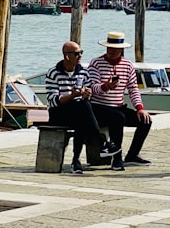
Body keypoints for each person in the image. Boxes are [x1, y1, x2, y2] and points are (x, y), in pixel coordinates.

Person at [45, 40, 121, 174]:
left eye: (81, 53)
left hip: (79, 110)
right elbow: (53, 101)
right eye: (77, 54)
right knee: (82, 110)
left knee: (85, 114)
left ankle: (76, 161)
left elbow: (87, 92)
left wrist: (87, 94)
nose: (80, 56)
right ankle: (101, 143)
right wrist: (73, 95)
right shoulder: (53, 73)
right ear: (67, 55)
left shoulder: (84, 73)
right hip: (59, 113)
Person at [87, 31, 152, 171]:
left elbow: (133, 88)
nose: (111, 51)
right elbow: (93, 87)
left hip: (118, 106)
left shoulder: (128, 65)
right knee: (118, 118)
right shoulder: (96, 63)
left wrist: (140, 108)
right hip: (98, 107)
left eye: (115, 49)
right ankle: (117, 158)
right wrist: (106, 86)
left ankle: (132, 155)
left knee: (146, 121)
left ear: (121, 49)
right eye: (109, 48)